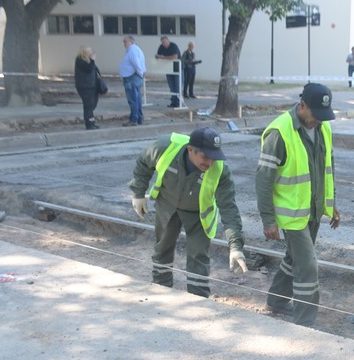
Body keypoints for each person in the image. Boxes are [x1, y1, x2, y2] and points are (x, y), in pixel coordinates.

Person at [255, 82, 341, 326]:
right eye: (315, 114)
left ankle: (276, 301)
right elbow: (263, 179)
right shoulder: (279, 133)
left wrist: (331, 203)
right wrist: (268, 219)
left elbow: (328, 169)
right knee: (308, 266)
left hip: (312, 210)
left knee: (295, 259)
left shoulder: (323, 128)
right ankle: (305, 323)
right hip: (290, 215)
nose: (319, 121)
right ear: (302, 105)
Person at [129, 127, 247, 298]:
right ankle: (161, 293)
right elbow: (143, 163)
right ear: (190, 150)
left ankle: (198, 300)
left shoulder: (220, 170)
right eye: (205, 156)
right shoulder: (165, 147)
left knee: (198, 257)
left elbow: (229, 208)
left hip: (199, 215)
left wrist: (235, 247)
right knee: (162, 249)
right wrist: (138, 193)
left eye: (214, 157)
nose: (210, 162)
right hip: (167, 206)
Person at [119, 35, 146, 127]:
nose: (124, 44)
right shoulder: (136, 49)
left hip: (132, 77)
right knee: (137, 98)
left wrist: (139, 73)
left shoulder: (132, 50)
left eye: (125, 42)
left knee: (133, 99)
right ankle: (139, 117)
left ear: (130, 41)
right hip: (135, 76)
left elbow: (136, 63)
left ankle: (134, 119)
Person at [74, 46, 100, 130]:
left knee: (92, 105)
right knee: (88, 105)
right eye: (89, 52)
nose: (91, 53)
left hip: (91, 86)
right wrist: (92, 60)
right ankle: (89, 124)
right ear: (84, 52)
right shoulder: (80, 60)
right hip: (85, 86)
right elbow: (88, 69)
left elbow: (94, 69)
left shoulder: (87, 61)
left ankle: (92, 122)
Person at [156, 35, 181, 107]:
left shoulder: (173, 46)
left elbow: (174, 57)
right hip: (168, 69)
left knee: (177, 86)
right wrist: (158, 56)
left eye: (165, 42)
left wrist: (163, 57)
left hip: (177, 69)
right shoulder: (161, 47)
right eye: (163, 42)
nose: (164, 44)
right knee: (171, 87)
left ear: (168, 41)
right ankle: (173, 102)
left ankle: (178, 102)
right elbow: (158, 55)